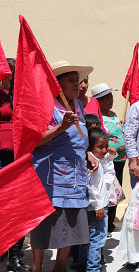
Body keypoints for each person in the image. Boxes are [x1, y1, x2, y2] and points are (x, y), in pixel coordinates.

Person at [30, 60, 93, 272]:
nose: (77, 85)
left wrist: (89, 154)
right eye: (71, 81)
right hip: (52, 175)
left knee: (71, 223)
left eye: (78, 80)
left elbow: (80, 139)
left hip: (76, 174)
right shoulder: (47, 107)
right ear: (58, 85)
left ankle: (60, 266)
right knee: (45, 223)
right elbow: (35, 140)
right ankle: (38, 267)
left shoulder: (79, 106)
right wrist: (61, 127)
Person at [0, 61, 32, 272]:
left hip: (20, 156)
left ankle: (15, 256)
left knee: (18, 207)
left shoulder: (26, 96)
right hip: (0, 156)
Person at [78, 127, 117, 272]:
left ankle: (82, 264)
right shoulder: (93, 165)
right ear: (89, 147)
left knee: (86, 238)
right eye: (100, 147)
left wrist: (111, 154)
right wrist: (99, 206)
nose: (104, 150)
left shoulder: (94, 160)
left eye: (106, 147)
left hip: (91, 207)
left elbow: (105, 159)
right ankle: (93, 268)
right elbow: (93, 188)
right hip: (97, 207)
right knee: (97, 239)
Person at [92, 82, 126, 232]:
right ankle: (105, 219)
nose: (111, 100)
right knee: (106, 188)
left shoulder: (114, 115)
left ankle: (111, 221)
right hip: (107, 160)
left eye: (111, 97)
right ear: (98, 101)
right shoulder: (98, 118)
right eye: (107, 98)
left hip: (120, 159)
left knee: (116, 190)